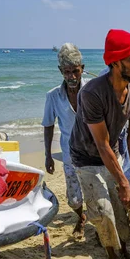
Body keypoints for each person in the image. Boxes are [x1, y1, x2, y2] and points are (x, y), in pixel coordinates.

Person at [69, 29, 130, 259]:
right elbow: (100, 144)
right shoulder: (91, 93)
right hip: (86, 157)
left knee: (123, 210)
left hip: (113, 153)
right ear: (116, 62)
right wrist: (122, 182)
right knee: (103, 212)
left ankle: (124, 250)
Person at [42, 43, 88, 239]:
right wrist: (48, 156)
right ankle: (81, 216)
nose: (72, 76)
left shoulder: (93, 91)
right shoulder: (53, 96)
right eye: (67, 72)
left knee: (97, 194)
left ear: (82, 69)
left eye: (75, 71)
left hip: (95, 154)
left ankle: (94, 223)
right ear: (61, 71)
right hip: (69, 154)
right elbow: (48, 125)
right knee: (74, 199)